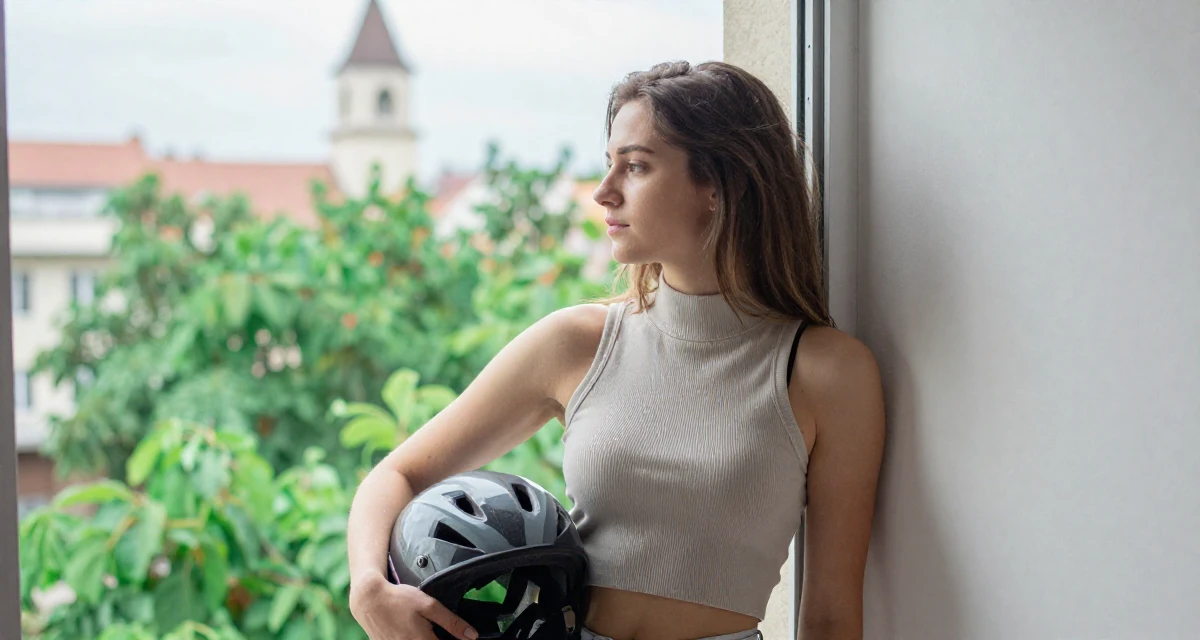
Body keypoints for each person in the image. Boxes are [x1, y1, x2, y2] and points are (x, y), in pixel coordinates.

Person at [347, 60, 886, 640]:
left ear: (718, 184)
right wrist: (368, 589)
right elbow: (399, 473)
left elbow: (831, 614)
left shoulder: (827, 373)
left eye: (635, 166)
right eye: (610, 166)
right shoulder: (577, 343)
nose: (604, 192)